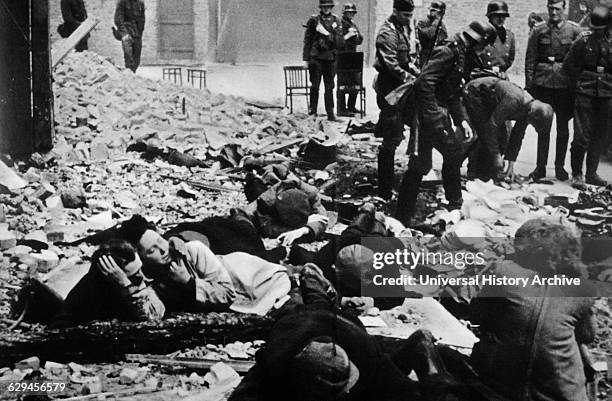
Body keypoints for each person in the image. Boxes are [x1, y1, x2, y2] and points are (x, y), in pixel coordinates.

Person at [470, 217, 596, 401]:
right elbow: (587, 336)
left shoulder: (505, 272)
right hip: (562, 397)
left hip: (501, 391)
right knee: (581, 350)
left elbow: (477, 315)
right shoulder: (581, 290)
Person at [395, 22, 496, 225]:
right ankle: (452, 205)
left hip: (433, 112)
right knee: (450, 154)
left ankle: (405, 214)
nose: (484, 51)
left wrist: (461, 121)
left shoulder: (460, 52)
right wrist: (433, 116)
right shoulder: (448, 52)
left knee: (425, 162)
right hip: (427, 114)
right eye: (484, 46)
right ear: (478, 40)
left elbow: (452, 92)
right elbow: (424, 82)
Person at [120, 215, 295, 316]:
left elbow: (227, 294)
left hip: (245, 274)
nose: (163, 250)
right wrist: (123, 283)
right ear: (140, 258)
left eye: (160, 241)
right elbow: (151, 315)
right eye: (152, 251)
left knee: (285, 279)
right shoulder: (149, 277)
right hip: (230, 276)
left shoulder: (193, 250)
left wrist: (189, 283)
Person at [523, 0, 583, 181]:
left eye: (557, 9)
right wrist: (529, 85)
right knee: (543, 128)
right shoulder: (538, 30)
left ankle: (559, 167)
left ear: (564, 9)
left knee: (563, 129)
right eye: (551, 8)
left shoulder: (574, 31)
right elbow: (530, 59)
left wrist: (576, 84)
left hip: (565, 86)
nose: (553, 12)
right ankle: (540, 167)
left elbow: (579, 61)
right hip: (543, 85)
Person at [49, 239, 165, 328]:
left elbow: (158, 314)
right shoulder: (90, 294)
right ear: (112, 277)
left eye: (141, 270)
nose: (143, 278)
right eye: (136, 276)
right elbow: (151, 322)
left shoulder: (130, 282)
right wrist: (125, 284)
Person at [463, 76, 554, 181]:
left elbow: (517, 136)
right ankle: (471, 171)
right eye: (533, 124)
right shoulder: (513, 101)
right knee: (483, 134)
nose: (530, 125)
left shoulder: (529, 109)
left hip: (490, 99)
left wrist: (511, 165)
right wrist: (496, 155)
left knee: (501, 139)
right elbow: (492, 126)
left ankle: (486, 171)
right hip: (475, 93)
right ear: (531, 116)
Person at [373, 0, 420, 200]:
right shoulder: (387, 32)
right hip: (390, 90)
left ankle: (400, 180)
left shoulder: (403, 28)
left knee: (411, 126)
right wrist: (410, 77)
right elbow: (391, 64)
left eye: (410, 15)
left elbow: (406, 59)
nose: (409, 19)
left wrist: (416, 70)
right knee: (391, 137)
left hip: (402, 90)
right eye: (405, 15)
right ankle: (384, 190)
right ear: (395, 12)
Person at [563, 5, 612, 189]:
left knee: (600, 135)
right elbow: (568, 65)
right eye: (594, 28)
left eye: (601, 29)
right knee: (581, 137)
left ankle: (592, 173)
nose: (597, 32)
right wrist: (578, 84)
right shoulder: (583, 40)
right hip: (585, 92)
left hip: (607, 94)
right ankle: (577, 173)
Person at [241, 163, 329, 246]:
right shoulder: (265, 202)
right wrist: (301, 226)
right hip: (264, 194)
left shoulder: (310, 192)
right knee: (254, 185)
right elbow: (268, 229)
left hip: (281, 185)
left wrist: (305, 229)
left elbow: (323, 217)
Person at [303, 0, 344, 121]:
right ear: (320, 7)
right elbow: (307, 40)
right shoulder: (314, 20)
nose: (326, 9)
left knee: (329, 87)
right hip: (316, 58)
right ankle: (313, 111)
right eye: (324, 7)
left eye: (328, 6)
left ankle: (330, 113)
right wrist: (305, 59)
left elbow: (339, 42)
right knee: (315, 86)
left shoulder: (336, 20)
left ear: (331, 7)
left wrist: (325, 33)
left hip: (330, 58)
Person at [467, 1, 516, 80]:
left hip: (501, 75)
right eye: (497, 16)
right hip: (481, 75)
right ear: (490, 16)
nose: (501, 19)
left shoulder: (509, 35)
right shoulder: (481, 32)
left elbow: (510, 58)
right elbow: (471, 55)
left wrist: (502, 70)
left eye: (503, 16)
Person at [336, 3, 364, 117]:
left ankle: (351, 106)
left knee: (356, 82)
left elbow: (359, 40)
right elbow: (338, 42)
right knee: (343, 83)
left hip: (353, 56)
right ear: (344, 13)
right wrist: (348, 34)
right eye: (349, 12)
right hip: (342, 56)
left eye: (352, 13)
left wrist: (356, 35)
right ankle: (341, 109)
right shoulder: (339, 25)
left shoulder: (352, 24)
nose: (351, 14)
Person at [114, 0, 146, 73]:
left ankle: (132, 74)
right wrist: (124, 34)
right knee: (128, 57)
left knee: (137, 59)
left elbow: (142, 20)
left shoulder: (140, 3)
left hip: (136, 33)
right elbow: (118, 19)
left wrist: (140, 34)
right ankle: (129, 74)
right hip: (126, 32)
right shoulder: (122, 2)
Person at [415, 1, 448, 67]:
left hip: (438, 58)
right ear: (431, 11)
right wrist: (436, 20)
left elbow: (444, 40)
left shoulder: (441, 25)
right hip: (426, 58)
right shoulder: (422, 23)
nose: (442, 15)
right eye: (439, 13)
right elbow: (430, 35)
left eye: (442, 13)